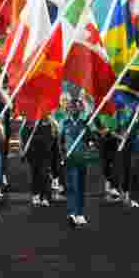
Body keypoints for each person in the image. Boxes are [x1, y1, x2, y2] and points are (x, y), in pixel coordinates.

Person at [60, 96, 92, 227]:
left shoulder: (85, 124)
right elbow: (60, 142)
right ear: (68, 109)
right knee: (72, 186)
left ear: (81, 109)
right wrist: (62, 155)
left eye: (77, 107)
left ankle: (80, 213)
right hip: (69, 160)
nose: (75, 109)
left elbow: (91, 140)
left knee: (81, 187)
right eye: (72, 107)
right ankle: (72, 212)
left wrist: (89, 140)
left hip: (82, 159)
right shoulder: (64, 123)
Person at [114, 101, 139, 209]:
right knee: (126, 169)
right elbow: (113, 129)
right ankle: (125, 193)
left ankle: (134, 197)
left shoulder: (138, 111)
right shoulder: (118, 112)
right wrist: (120, 136)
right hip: (124, 144)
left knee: (135, 170)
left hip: (136, 144)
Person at [19, 112, 55, 207]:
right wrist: (22, 149)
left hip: (45, 151)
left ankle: (46, 197)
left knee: (44, 173)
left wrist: (49, 118)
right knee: (34, 173)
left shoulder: (46, 118)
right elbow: (21, 134)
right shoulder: (28, 120)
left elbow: (54, 132)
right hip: (32, 151)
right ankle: (36, 195)